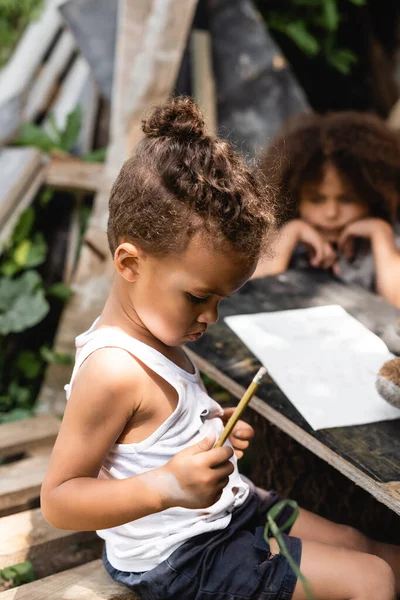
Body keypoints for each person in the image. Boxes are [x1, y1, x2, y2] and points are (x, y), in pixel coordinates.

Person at [41, 97, 399, 600]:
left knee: (358, 542)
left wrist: (208, 423)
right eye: (197, 296)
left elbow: (147, 434)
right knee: (373, 580)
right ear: (128, 262)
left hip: (222, 511)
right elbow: (59, 501)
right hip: (184, 555)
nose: (210, 315)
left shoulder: (159, 331)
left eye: (219, 299)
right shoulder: (113, 370)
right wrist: (167, 486)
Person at [253, 111, 400, 308]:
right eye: (316, 200)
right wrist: (290, 233)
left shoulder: (389, 244)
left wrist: (380, 235)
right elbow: (252, 295)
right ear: (294, 198)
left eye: (347, 200)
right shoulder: (280, 240)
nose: (331, 213)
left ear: (373, 197)